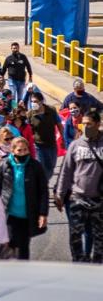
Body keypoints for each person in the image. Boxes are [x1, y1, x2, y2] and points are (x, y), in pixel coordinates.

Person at [55, 111, 103, 262]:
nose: (86, 126)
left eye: (89, 123)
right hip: (78, 199)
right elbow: (66, 171)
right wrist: (60, 195)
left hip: (99, 200)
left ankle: (96, 266)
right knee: (75, 236)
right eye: (84, 123)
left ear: (97, 124)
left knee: (99, 238)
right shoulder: (75, 145)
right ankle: (78, 263)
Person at [0, 137, 49, 260]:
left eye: (25, 150)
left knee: (23, 248)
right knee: (9, 244)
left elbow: (43, 191)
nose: (22, 153)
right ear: (12, 151)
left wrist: (43, 213)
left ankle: (23, 273)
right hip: (9, 214)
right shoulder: (4, 166)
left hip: (27, 214)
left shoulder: (35, 166)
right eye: (19, 150)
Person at [27, 92, 64, 179]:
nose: (33, 103)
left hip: (51, 145)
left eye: (35, 101)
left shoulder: (51, 110)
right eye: (32, 101)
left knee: (50, 168)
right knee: (41, 168)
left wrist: (63, 138)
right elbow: (27, 130)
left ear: (41, 101)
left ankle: (44, 182)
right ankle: (42, 185)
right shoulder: (30, 114)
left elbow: (59, 125)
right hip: (38, 146)